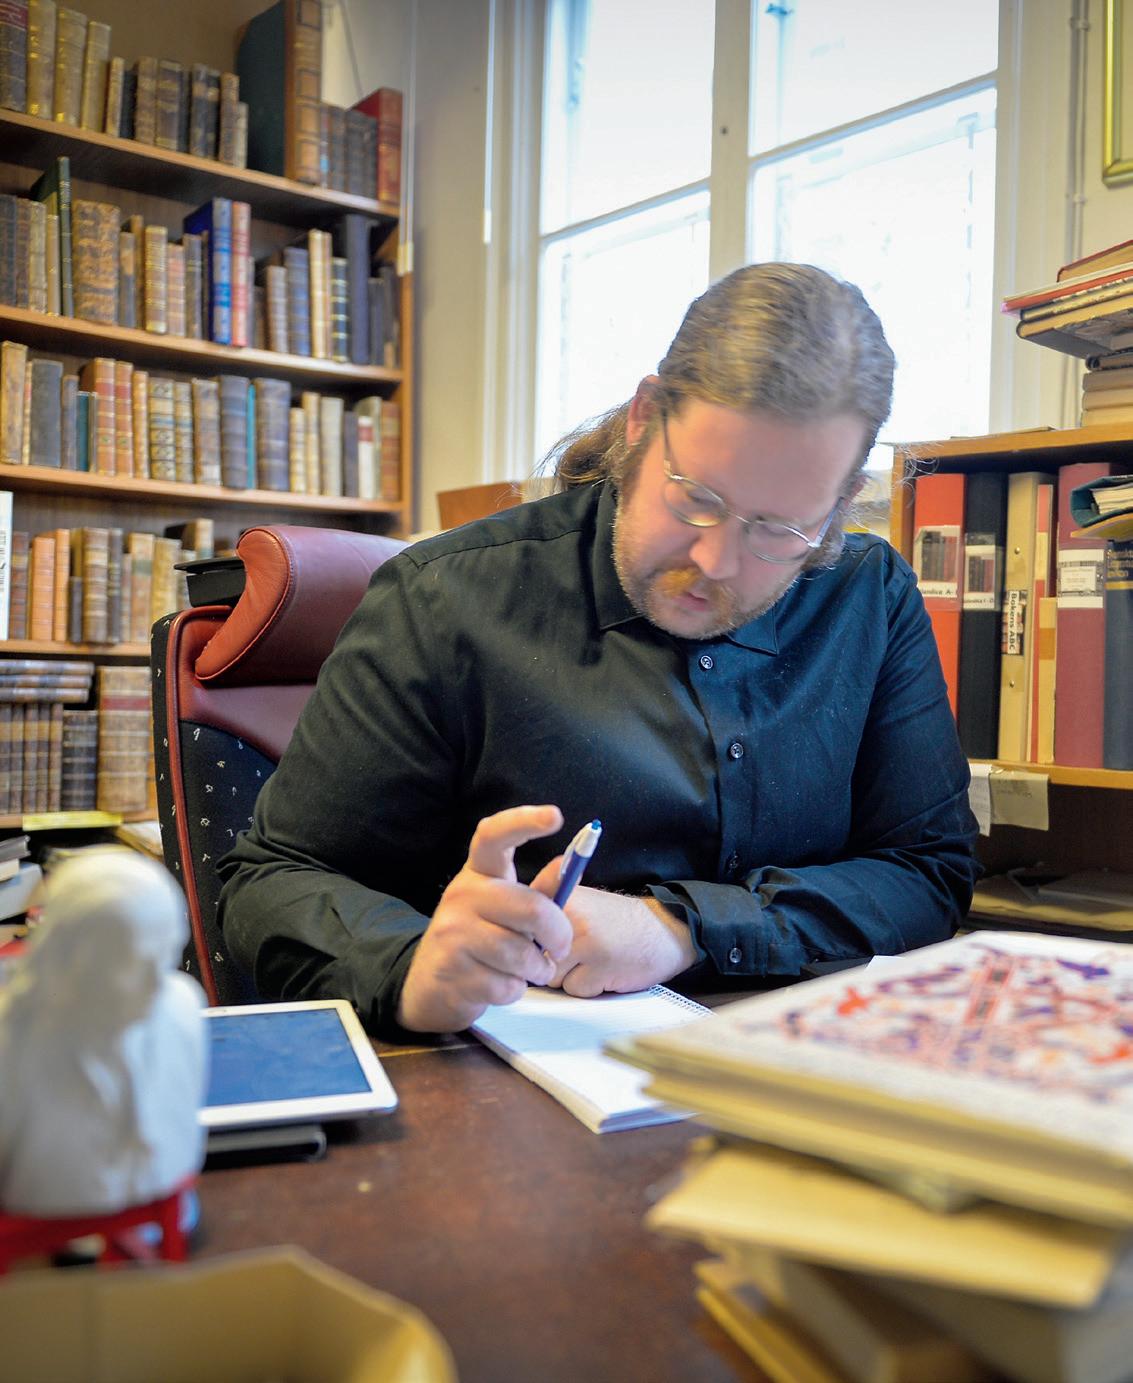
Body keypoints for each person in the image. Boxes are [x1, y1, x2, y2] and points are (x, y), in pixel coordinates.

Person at [218, 262, 979, 1038]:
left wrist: (678, 928)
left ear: (841, 502)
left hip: (799, 1061)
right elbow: (269, 881)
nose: (715, 561)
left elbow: (926, 872)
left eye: (778, 530)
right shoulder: (444, 599)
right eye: (697, 498)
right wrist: (411, 965)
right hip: (516, 1077)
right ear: (643, 419)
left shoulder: (868, 594)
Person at [0, 850, 207, 1215]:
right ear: (70, 956)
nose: (155, 984)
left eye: (166, 957)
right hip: (51, 1206)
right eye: (133, 964)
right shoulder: (13, 1035)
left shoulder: (181, 1007)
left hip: (156, 1192)